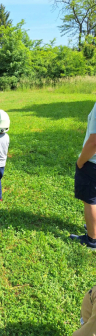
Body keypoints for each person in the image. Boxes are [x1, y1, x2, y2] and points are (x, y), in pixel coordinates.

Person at [70, 103, 96, 250]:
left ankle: (92, 240)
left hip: (92, 163)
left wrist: (81, 161)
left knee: (90, 199)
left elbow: (94, 142)